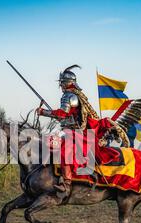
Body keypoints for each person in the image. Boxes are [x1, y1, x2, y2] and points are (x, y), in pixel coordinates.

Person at [37, 65, 99, 195]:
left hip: (74, 131)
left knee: (65, 152)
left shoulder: (69, 96)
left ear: (66, 83)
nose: (61, 86)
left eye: (62, 83)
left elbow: (62, 113)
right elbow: (68, 115)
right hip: (70, 128)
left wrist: (43, 112)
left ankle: (66, 183)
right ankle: (46, 171)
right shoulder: (74, 95)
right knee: (49, 140)